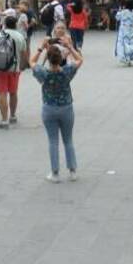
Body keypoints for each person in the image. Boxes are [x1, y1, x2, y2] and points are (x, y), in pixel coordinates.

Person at [30, 34, 83, 183]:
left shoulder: (43, 73)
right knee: (68, 140)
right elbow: (80, 60)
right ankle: (72, 171)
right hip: (66, 107)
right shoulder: (67, 71)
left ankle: (55, 173)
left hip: (49, 108)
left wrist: (41, 48)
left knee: (53, 141)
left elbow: (31, 62)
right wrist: (69, 46)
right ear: (61, 59)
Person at [0, 14, 28, 129]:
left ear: (5, 24)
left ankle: (4, 120)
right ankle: (12, 115)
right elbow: (24, 54)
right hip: (14, 68)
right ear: (16, 24)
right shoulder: (20, 36)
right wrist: (21, 67)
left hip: (1, 67)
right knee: (13, 92)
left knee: (2, 93)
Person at [114, 0, 133, 65]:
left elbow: (117, 17)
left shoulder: (123, 12)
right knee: (131, 43)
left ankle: (125, 58)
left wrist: (120, 10)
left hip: (124, 29)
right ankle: (131, 57)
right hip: (131, 29)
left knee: (123, 43)